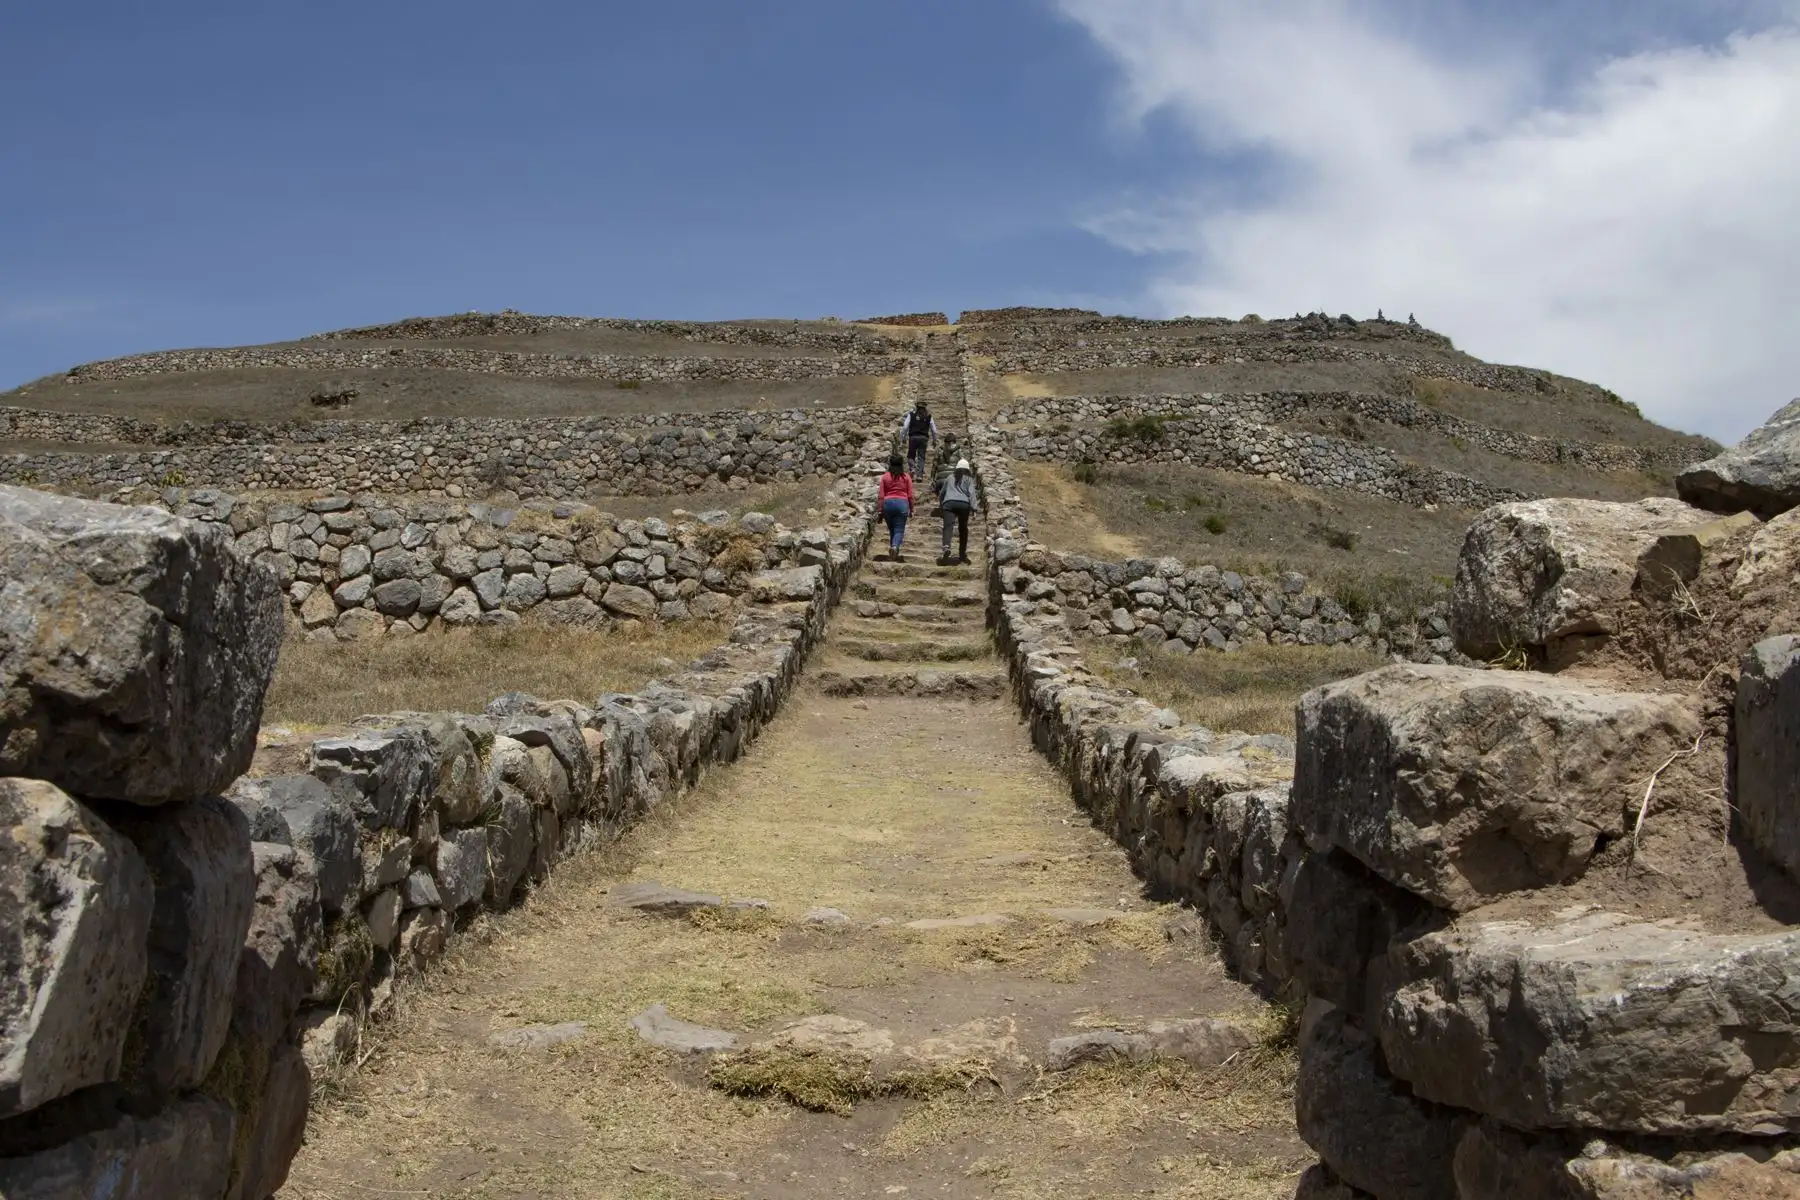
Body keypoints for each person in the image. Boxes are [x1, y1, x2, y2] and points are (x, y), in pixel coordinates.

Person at [935, 458, 978, 564]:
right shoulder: (969, 479)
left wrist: (941, 504)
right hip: (964, 504)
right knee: (963, 529)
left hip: (949, 503)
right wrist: (974, 509)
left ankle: (946, 547)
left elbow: (942, 493)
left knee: (948, 526)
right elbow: (972, 494)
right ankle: (962, 553)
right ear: (967, 470)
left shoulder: (950, 477)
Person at [876, 453, 914, 561]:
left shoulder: (885, 477)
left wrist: (880, 511)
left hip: (887, 504)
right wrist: (912, 509)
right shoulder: (906, 477)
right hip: (902, 504)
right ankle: (894, 547)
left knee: (892, 529)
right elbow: (910, 495)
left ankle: (893, 550)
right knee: (899, 530)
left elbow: (881, 496)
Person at [899, 402, 937, 478]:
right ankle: (919, 475)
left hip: (913, 437)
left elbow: (905, 427)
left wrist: (903, 438)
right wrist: (934, 440)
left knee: (911, 455)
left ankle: (912, 469)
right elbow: (934, 430)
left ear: (917, 407)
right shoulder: (929, 416)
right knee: (921, 457)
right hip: (923, 438)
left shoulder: (911, 415)